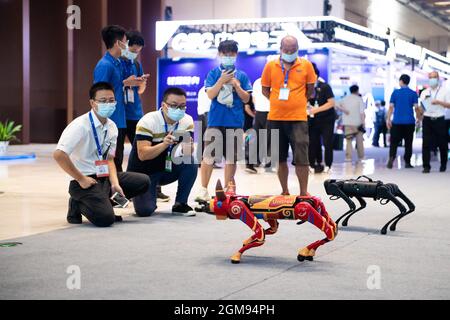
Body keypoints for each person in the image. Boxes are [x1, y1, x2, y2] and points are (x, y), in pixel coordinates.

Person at [53, 82, 150, 227]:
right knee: (105, 219)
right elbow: (59, 154)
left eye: (111, 101)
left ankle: (101, 201)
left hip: (103, 176)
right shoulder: (80, 126)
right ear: (92, 103)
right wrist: (81, 179)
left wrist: (115, 184)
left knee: (143, 181)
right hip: (83, 181)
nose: (108, 104)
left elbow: (109, 158)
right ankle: (77, 203)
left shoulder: (112, 127)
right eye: (103, 101)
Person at [127, 87, 198, 217]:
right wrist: (164, 144)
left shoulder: (187, 121)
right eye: (174, 105)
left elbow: (186, 153)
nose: (179, 110)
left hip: (167, 169)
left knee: (191, 162)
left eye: (182, 106)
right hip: (144, 173)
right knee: (145, 211)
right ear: (163, 105)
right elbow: (142, 155)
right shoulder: (148, 121)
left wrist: (189, 148)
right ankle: (143, 193)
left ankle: (180, 204)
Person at [195, 40, 252, 201]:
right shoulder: (213, 73)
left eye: (231, 54)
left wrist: (237, 85)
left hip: (235, 121)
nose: (228, 57)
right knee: (208, 156)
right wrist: (220, 81)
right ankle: (203, 189)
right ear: (219, 55)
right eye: (225, 54)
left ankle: (228, 189)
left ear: (236, 55)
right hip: (215, 120)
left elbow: (247, 98)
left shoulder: (241, 75)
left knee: (231, 158)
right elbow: (210, 95)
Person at [261, 35, 316, 196]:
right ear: (280, 49)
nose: (289, 53)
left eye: (293, 50)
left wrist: (298, 101)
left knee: (302, 157)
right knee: (280, 158)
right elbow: (265, 89)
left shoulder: (306, 65)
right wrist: (276, 101)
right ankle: (284, 190)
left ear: (297, 49)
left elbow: (310, 89)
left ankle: (304, 192)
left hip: (298, 119)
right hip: (275, 118)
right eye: (286, 50)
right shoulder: (270, 66)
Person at [93, 25, 146, 172]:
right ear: (118, 43)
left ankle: (118, 189)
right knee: (109, 158)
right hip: (110, 119)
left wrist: (128, 83)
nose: (126, 45)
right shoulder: (105, 65)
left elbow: (117, 87)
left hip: (120, 118)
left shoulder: (116, 63)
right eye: (125, 41)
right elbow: (98, 93)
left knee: (117, 157)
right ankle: (108, 190)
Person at [386, 74, 420, 169]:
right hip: (409, 122)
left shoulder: (395, 93)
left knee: (394, 142)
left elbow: (391, 107)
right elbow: (416, 108)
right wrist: (418, 119)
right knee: (408, 143)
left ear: (401, 81)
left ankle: (391, 159)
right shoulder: (413, 93)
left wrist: (388, 119)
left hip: (397, 122)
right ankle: (407, 162)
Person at [419, 71, 450, 173]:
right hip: (427, 119)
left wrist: (438, 102)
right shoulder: (424, 92)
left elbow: (449, 105)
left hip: (440, 119)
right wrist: (419, 113)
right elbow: (422, 108)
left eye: (434, 77)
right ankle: (426, 166)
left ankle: (443, 164)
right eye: (430, 77)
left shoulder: (444, 91)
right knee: (426, 143)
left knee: (442, 143)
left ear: (438, 78)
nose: (432, 79)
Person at [308, 63, 336, 173]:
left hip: (327, 120)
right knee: (313, 142)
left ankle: (328, 164)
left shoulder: (325, 87)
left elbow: (331, 103)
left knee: (327, 142)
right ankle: (313, 164)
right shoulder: (308, 88)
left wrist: (316, 110)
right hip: (313, 120)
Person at [246, 78, 272, 174]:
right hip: (270, 112)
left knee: (256, 138)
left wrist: (258, 107)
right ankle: (269, 164)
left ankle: (252, 163)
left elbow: (253, 98)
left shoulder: (256, 81)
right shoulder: (274, 80)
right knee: (269, 138)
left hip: (259, 112)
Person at [337, 85, 365, 163]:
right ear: (357, 90)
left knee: (348, 141)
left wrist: (344, 110)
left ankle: (348, 157)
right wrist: (363, 123)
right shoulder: (359, 99)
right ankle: (361, 157)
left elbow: (335, 105)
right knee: (359, 141)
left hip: (348, 123)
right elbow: (362, 113)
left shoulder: (345, 99)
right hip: (358, 123)